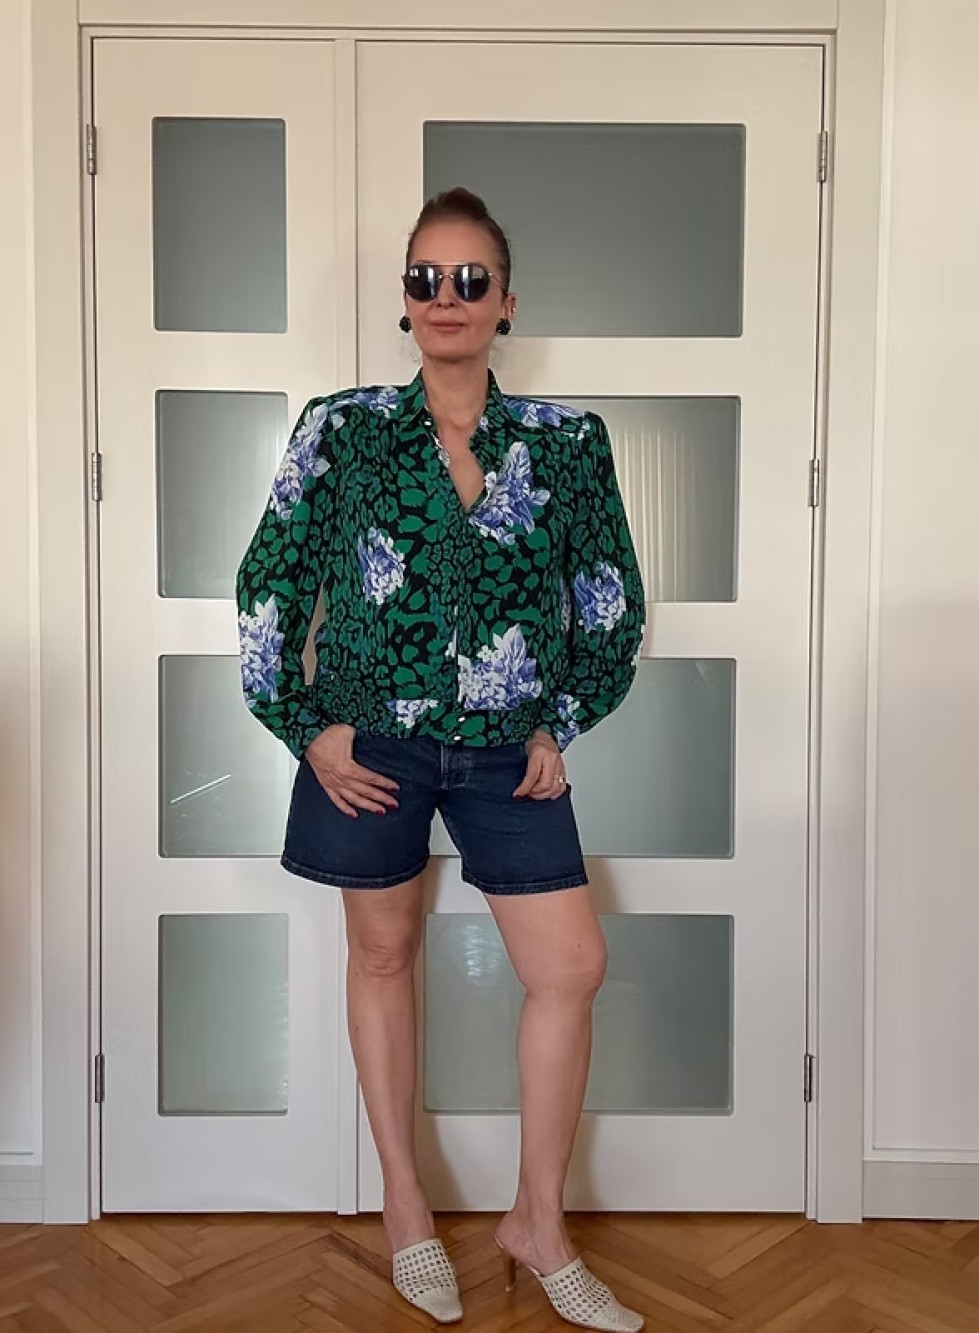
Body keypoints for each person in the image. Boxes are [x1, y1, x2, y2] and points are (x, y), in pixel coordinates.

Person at [236, 187, 645, 1332]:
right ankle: (406, 1207)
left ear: (506, 302)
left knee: (570, 967)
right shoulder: (342, 429)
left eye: (471, 279)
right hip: (366, 744)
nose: (446, 297)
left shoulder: (566, 444)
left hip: (508, 753)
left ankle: (536, 1222)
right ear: (404, 299)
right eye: (426, 278)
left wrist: (560, 720)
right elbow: (269, 582)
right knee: (383, 954)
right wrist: (305, 725)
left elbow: (610, 606)